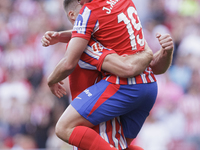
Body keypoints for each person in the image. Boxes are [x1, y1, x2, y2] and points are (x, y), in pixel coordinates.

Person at [47, 0, 174, 149]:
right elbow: (152, 66)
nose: (83, 4)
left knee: (63, 127)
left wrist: (51, 80)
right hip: (147, 87)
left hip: (115, 103)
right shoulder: (116, 20)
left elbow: (127, 68)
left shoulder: (88, 32)